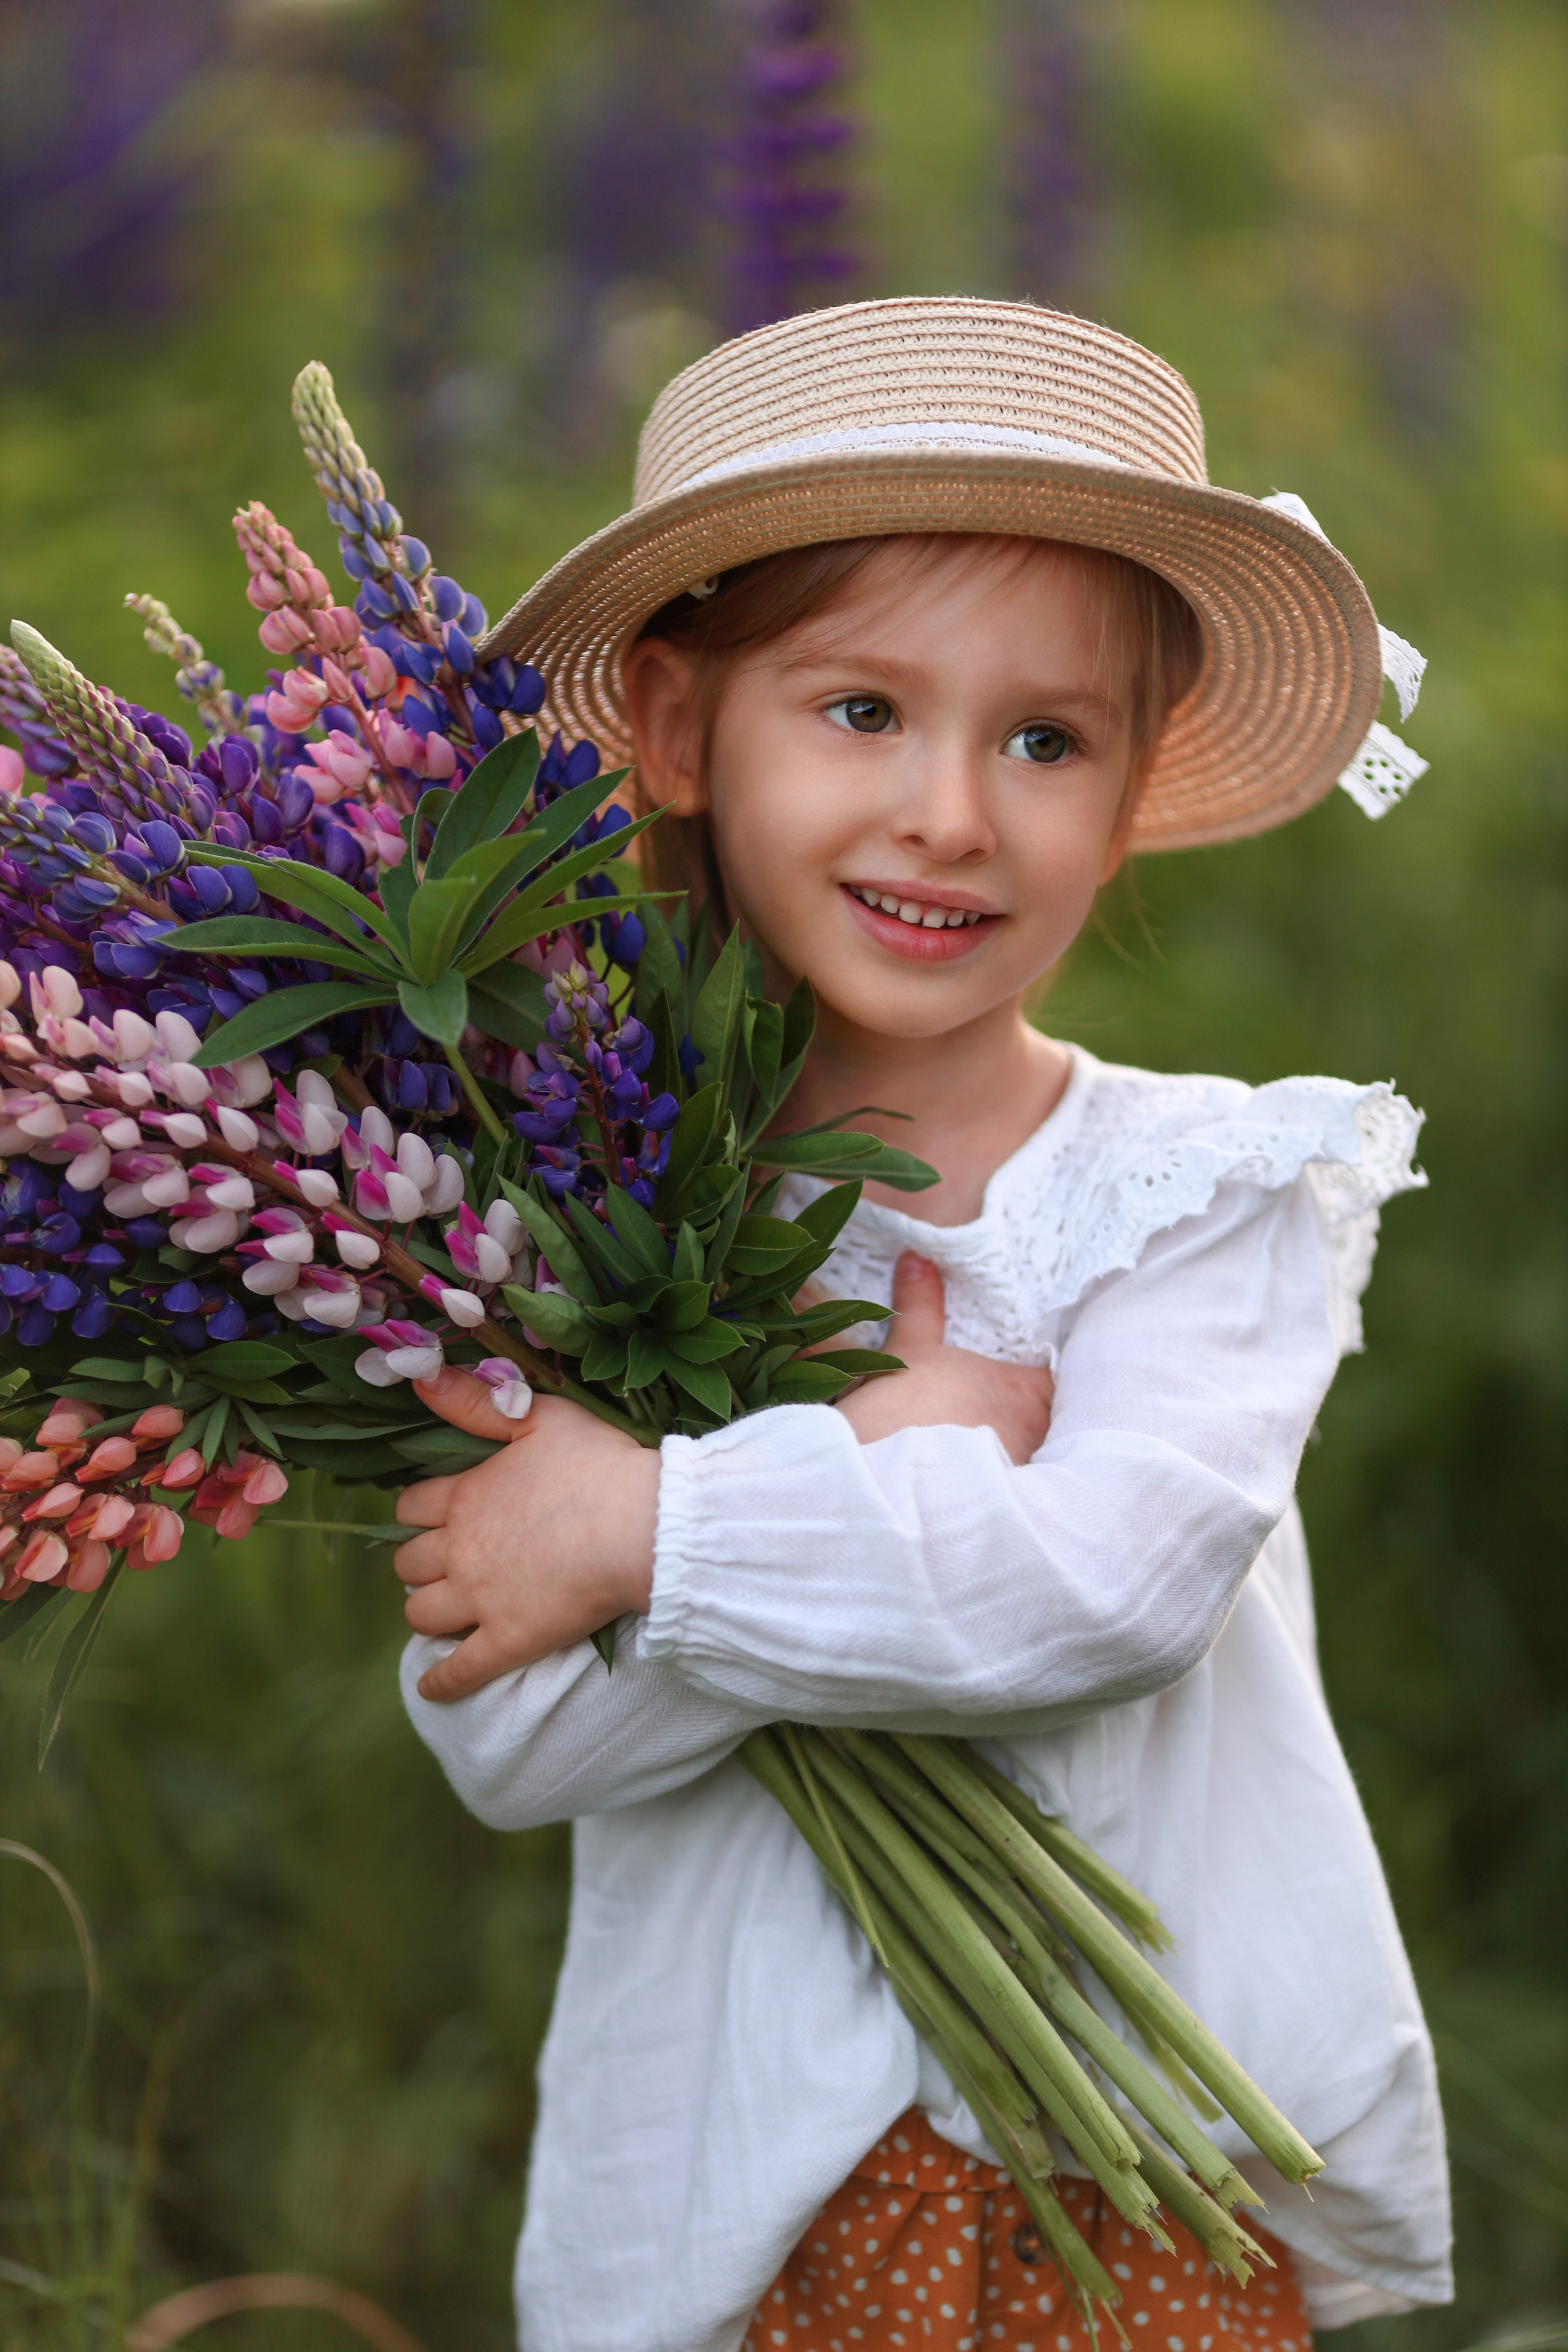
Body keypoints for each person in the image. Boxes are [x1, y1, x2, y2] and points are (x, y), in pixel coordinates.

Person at [388, 298, 1452, 2352]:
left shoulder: (1204, 1190)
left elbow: (1110, 1590)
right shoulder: (578, 1218)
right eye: (864, 709)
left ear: (1132, 791)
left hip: (1137, 2193)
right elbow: (506, 1733)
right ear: (679, 728)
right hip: (742, 2224)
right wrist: (886, 1443)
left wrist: (657, 1532)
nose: (955, 813)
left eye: (1047, 740)